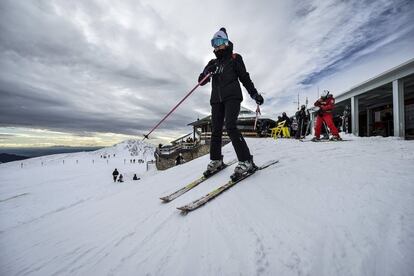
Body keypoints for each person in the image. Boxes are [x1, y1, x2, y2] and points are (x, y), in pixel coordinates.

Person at [198, 27, 264, 179]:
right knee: (215, 129)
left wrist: (254, 94)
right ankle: (216, 160)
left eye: (220, 41)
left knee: (230, 126)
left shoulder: (235, 58)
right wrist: (208, 71)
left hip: (232, 97)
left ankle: (246, 160)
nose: (217, 46)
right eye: (214, 43)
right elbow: (201, 81)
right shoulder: (212, 62)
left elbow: (245, 78)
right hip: (216, 100)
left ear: (226, 42)